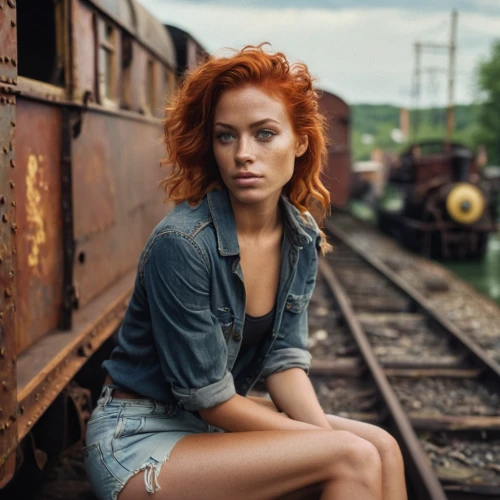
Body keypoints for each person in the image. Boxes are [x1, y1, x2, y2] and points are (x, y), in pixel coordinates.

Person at [83, 45, 406, 500]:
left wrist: (328, 439)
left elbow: (284, 362)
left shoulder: (300, 236)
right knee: (352, 456)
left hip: (206, 428)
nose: (244, 154)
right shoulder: (182, 244)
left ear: (300, 141)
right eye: (226, 136)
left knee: (381, 448)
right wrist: (330, 446)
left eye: (264, 134)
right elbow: (208, 398)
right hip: (141, 437)